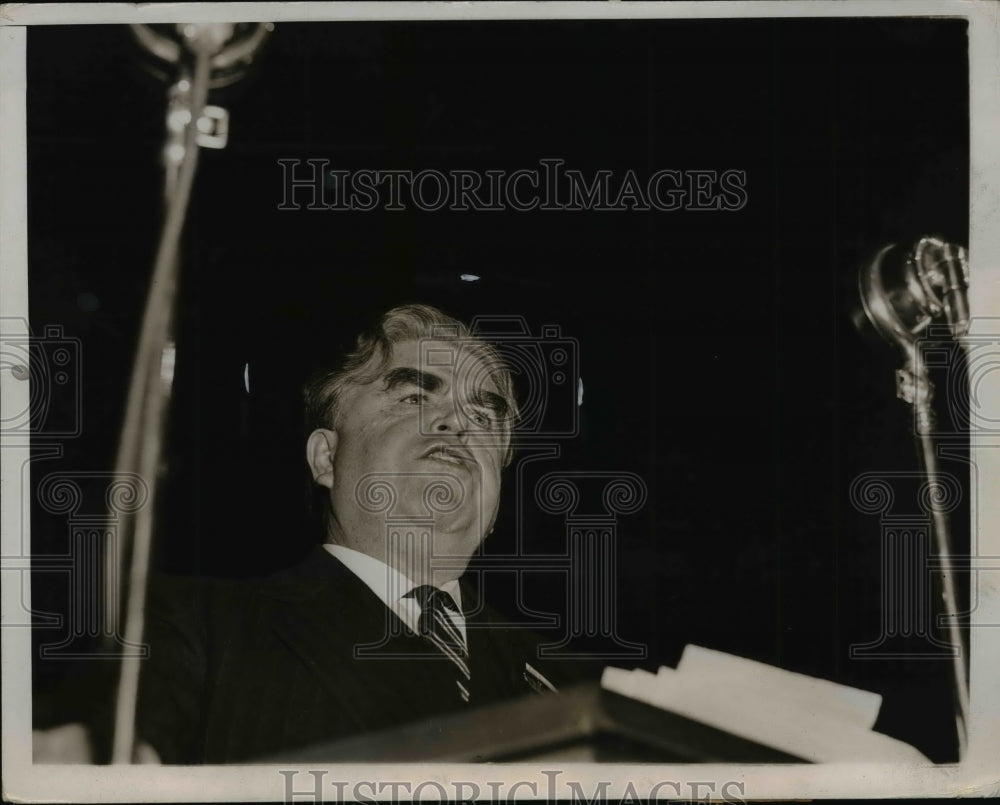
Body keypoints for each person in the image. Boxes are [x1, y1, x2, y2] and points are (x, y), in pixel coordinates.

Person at [133, 304, 573, 763]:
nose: (458, 423)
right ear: (327, 458)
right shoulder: (196, 631)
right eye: (415, 399)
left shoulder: (570, 679)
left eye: (483, 418)